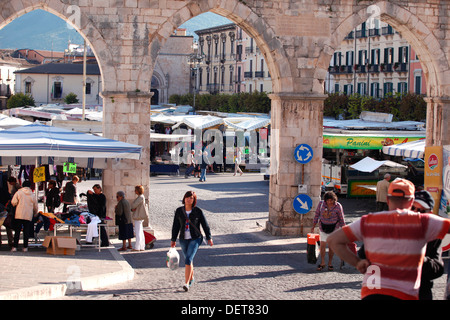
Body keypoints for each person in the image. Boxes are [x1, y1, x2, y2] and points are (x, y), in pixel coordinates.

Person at [328, 178, 450, 300]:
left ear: (387, 199)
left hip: (372, 294)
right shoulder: (423, 222)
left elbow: (333, 240)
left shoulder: (368, 221)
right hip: (405, 294)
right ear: (411, 201)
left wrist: (357, 262)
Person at [171, 191, 213, 292]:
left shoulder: (198, 211)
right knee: (188, 260)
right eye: (187, 197)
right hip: (183, 239)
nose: (189, 199)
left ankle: (186, 283)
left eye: (191, 198)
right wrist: (173, 240)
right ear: (184, 198)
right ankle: (191, 277)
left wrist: (209, 237)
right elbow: (175, 226)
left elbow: (205, 225)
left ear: (194, 200)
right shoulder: (179, 211)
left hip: (196, 238)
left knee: (188, 259)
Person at [311, 191, 345, 271]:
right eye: (328, 200)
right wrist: (313, 225)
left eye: (331, 200)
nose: (330, 202)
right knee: (322, 246)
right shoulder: (321, 204)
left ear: (334, 199)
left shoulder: (338, 206)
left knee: (331, 247)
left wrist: (344, 228)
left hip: (334, 229)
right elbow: (317, 215)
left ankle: (330, 263)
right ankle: (322, 262)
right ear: (325, 200)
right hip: (323, 228)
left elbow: (341, 218)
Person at [10, 180, 38, 252]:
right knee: (26, 231)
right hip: (28, 215)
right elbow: (35, 206)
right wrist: (35, 213)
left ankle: (15, 247)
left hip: (19, 214)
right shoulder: (32, 194)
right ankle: (25, 247)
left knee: (17, 231)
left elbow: (13, 202)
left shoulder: (19, 192)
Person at [130, 185, 148, 251]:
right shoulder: (141, 197)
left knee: (138, 232)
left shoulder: (140, 197)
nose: (135, 191)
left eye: (135, 190)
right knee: (140, 232)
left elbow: (133, 205)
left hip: (138, 216)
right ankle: (141, 246)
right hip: (139, 216)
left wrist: (132, 208)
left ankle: (137, 247)